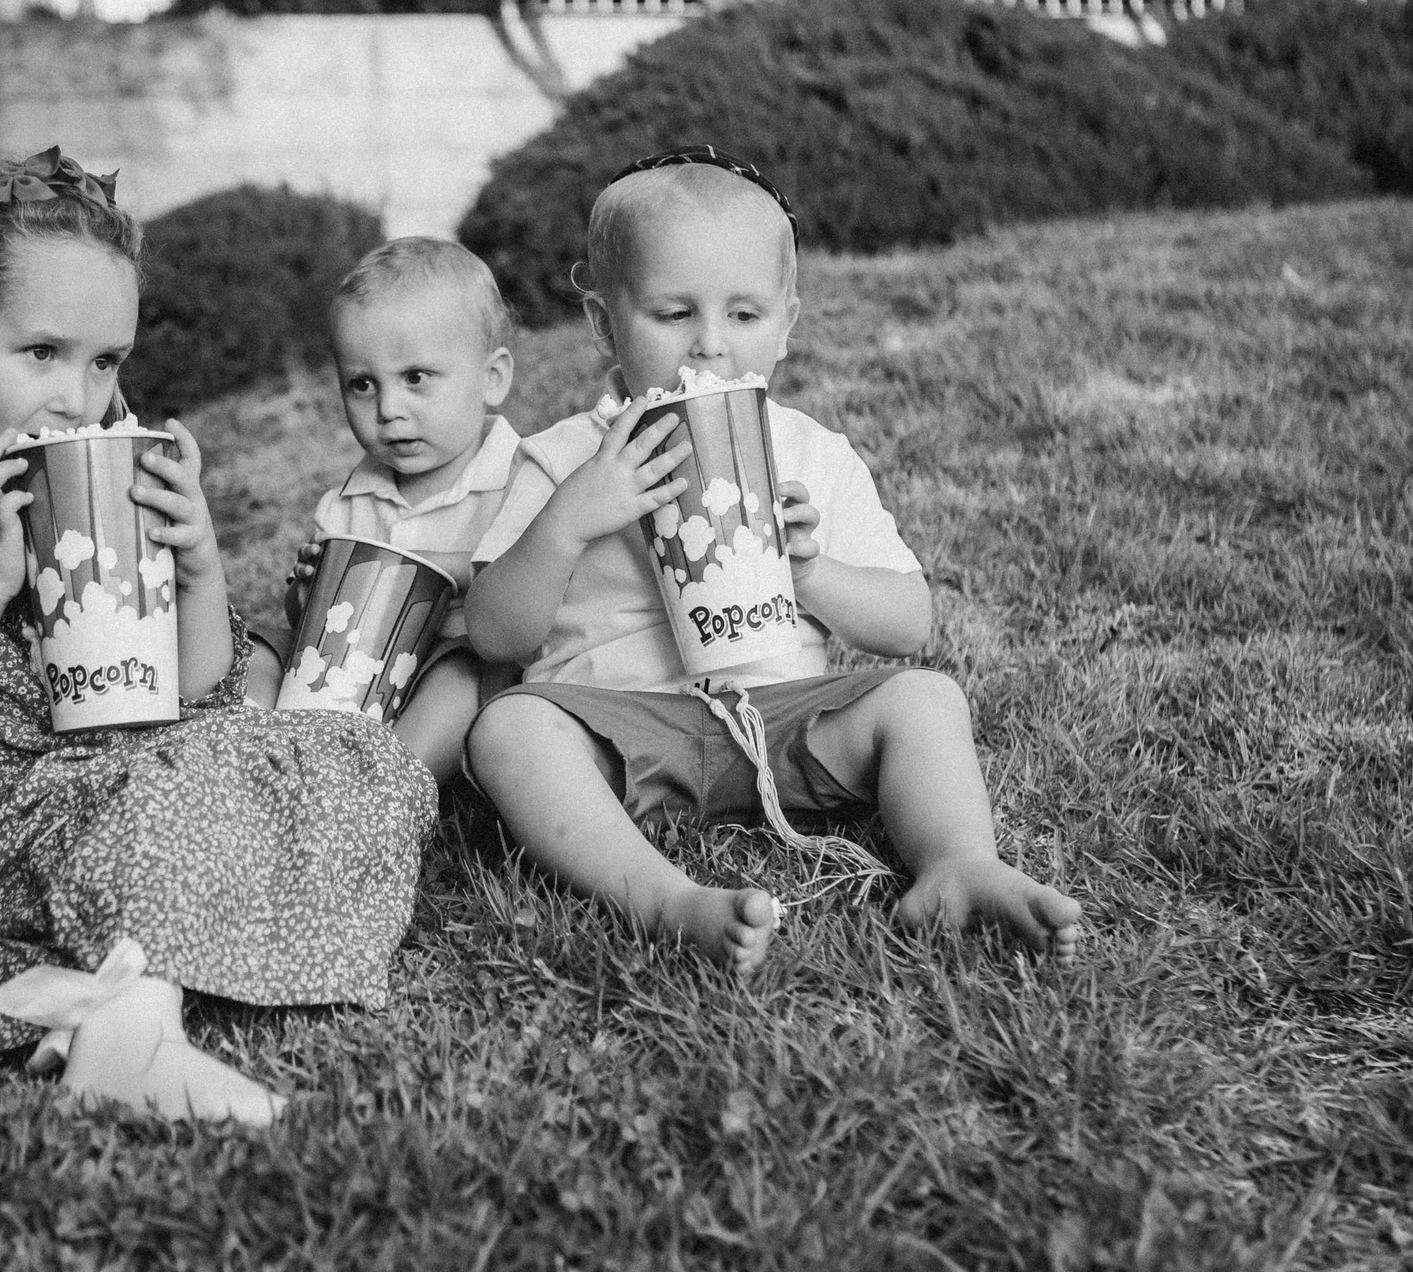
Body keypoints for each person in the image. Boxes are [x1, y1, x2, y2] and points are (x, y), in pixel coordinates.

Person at [0, 148, 434, 1126]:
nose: (78, 399)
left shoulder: (92, 492)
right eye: (41, 353)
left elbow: (194, 691)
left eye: (105, 363)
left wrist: (199, 563)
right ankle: (131, 1036)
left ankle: (96, 996)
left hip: (105, 796)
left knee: (348, 758)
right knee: (160, 790)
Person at [462, 148, 1083, 977]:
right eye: (672, 313)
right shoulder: (561, 459)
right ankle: (662, 899)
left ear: (787, 324)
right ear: (606, 322)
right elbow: (494, 633)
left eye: (745, 316)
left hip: (788, 719)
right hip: (625, 727)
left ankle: (957, 862)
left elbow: (910, 624)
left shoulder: (811, 452)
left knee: (927, 699)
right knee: (510, 728)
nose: (710, 346)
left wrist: (813, 570)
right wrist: (567, 521)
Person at [245, 237, 519, 783]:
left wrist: (456, 567)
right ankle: (257, 760)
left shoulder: (518, 477)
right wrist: (306, 594)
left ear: (492, 379)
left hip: (461, 663)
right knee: (262, 649)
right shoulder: (349, 501)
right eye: (363, 385)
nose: (389, 409)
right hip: (355, 668)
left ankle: (387, 789)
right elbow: (316, 625)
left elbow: (532, 593)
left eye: (416, 378)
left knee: (463, 675)